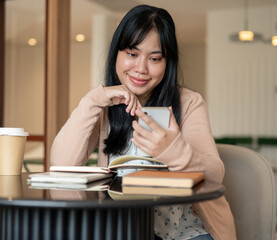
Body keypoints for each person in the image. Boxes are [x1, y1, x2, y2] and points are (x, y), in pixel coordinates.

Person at [50, 4, 236, 240]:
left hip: (184, 230)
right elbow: (61, 165)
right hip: (122, 225)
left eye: (155, 58)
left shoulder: (189, 103)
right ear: (116, 54)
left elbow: (215, 175)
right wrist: (92, 102)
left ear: (167, 62)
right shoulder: (104, 107)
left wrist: (174, 151)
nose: (141, 68)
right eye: (132, 54)